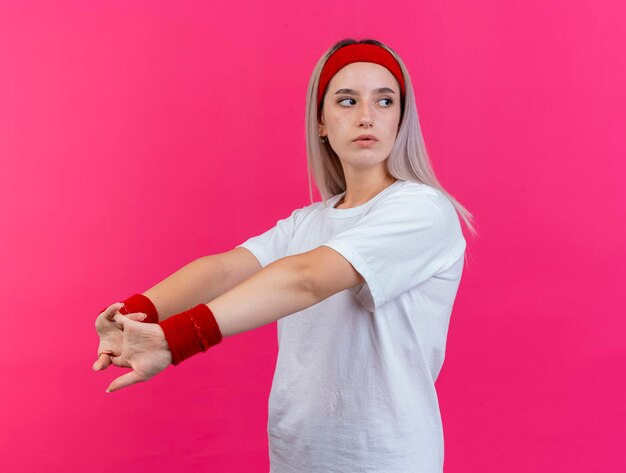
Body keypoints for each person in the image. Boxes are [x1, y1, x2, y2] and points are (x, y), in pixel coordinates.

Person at [93, 38, 477, 472]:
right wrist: (136, 314)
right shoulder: (308, 222)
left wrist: (178, 340)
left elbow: (307, 278)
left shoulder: (423, 210)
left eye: (385, 101)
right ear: (322, 123)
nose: (367, 116)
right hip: (297, 457)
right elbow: (223, 270)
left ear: (401, 119)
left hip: (386, 460)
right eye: (347, 101)